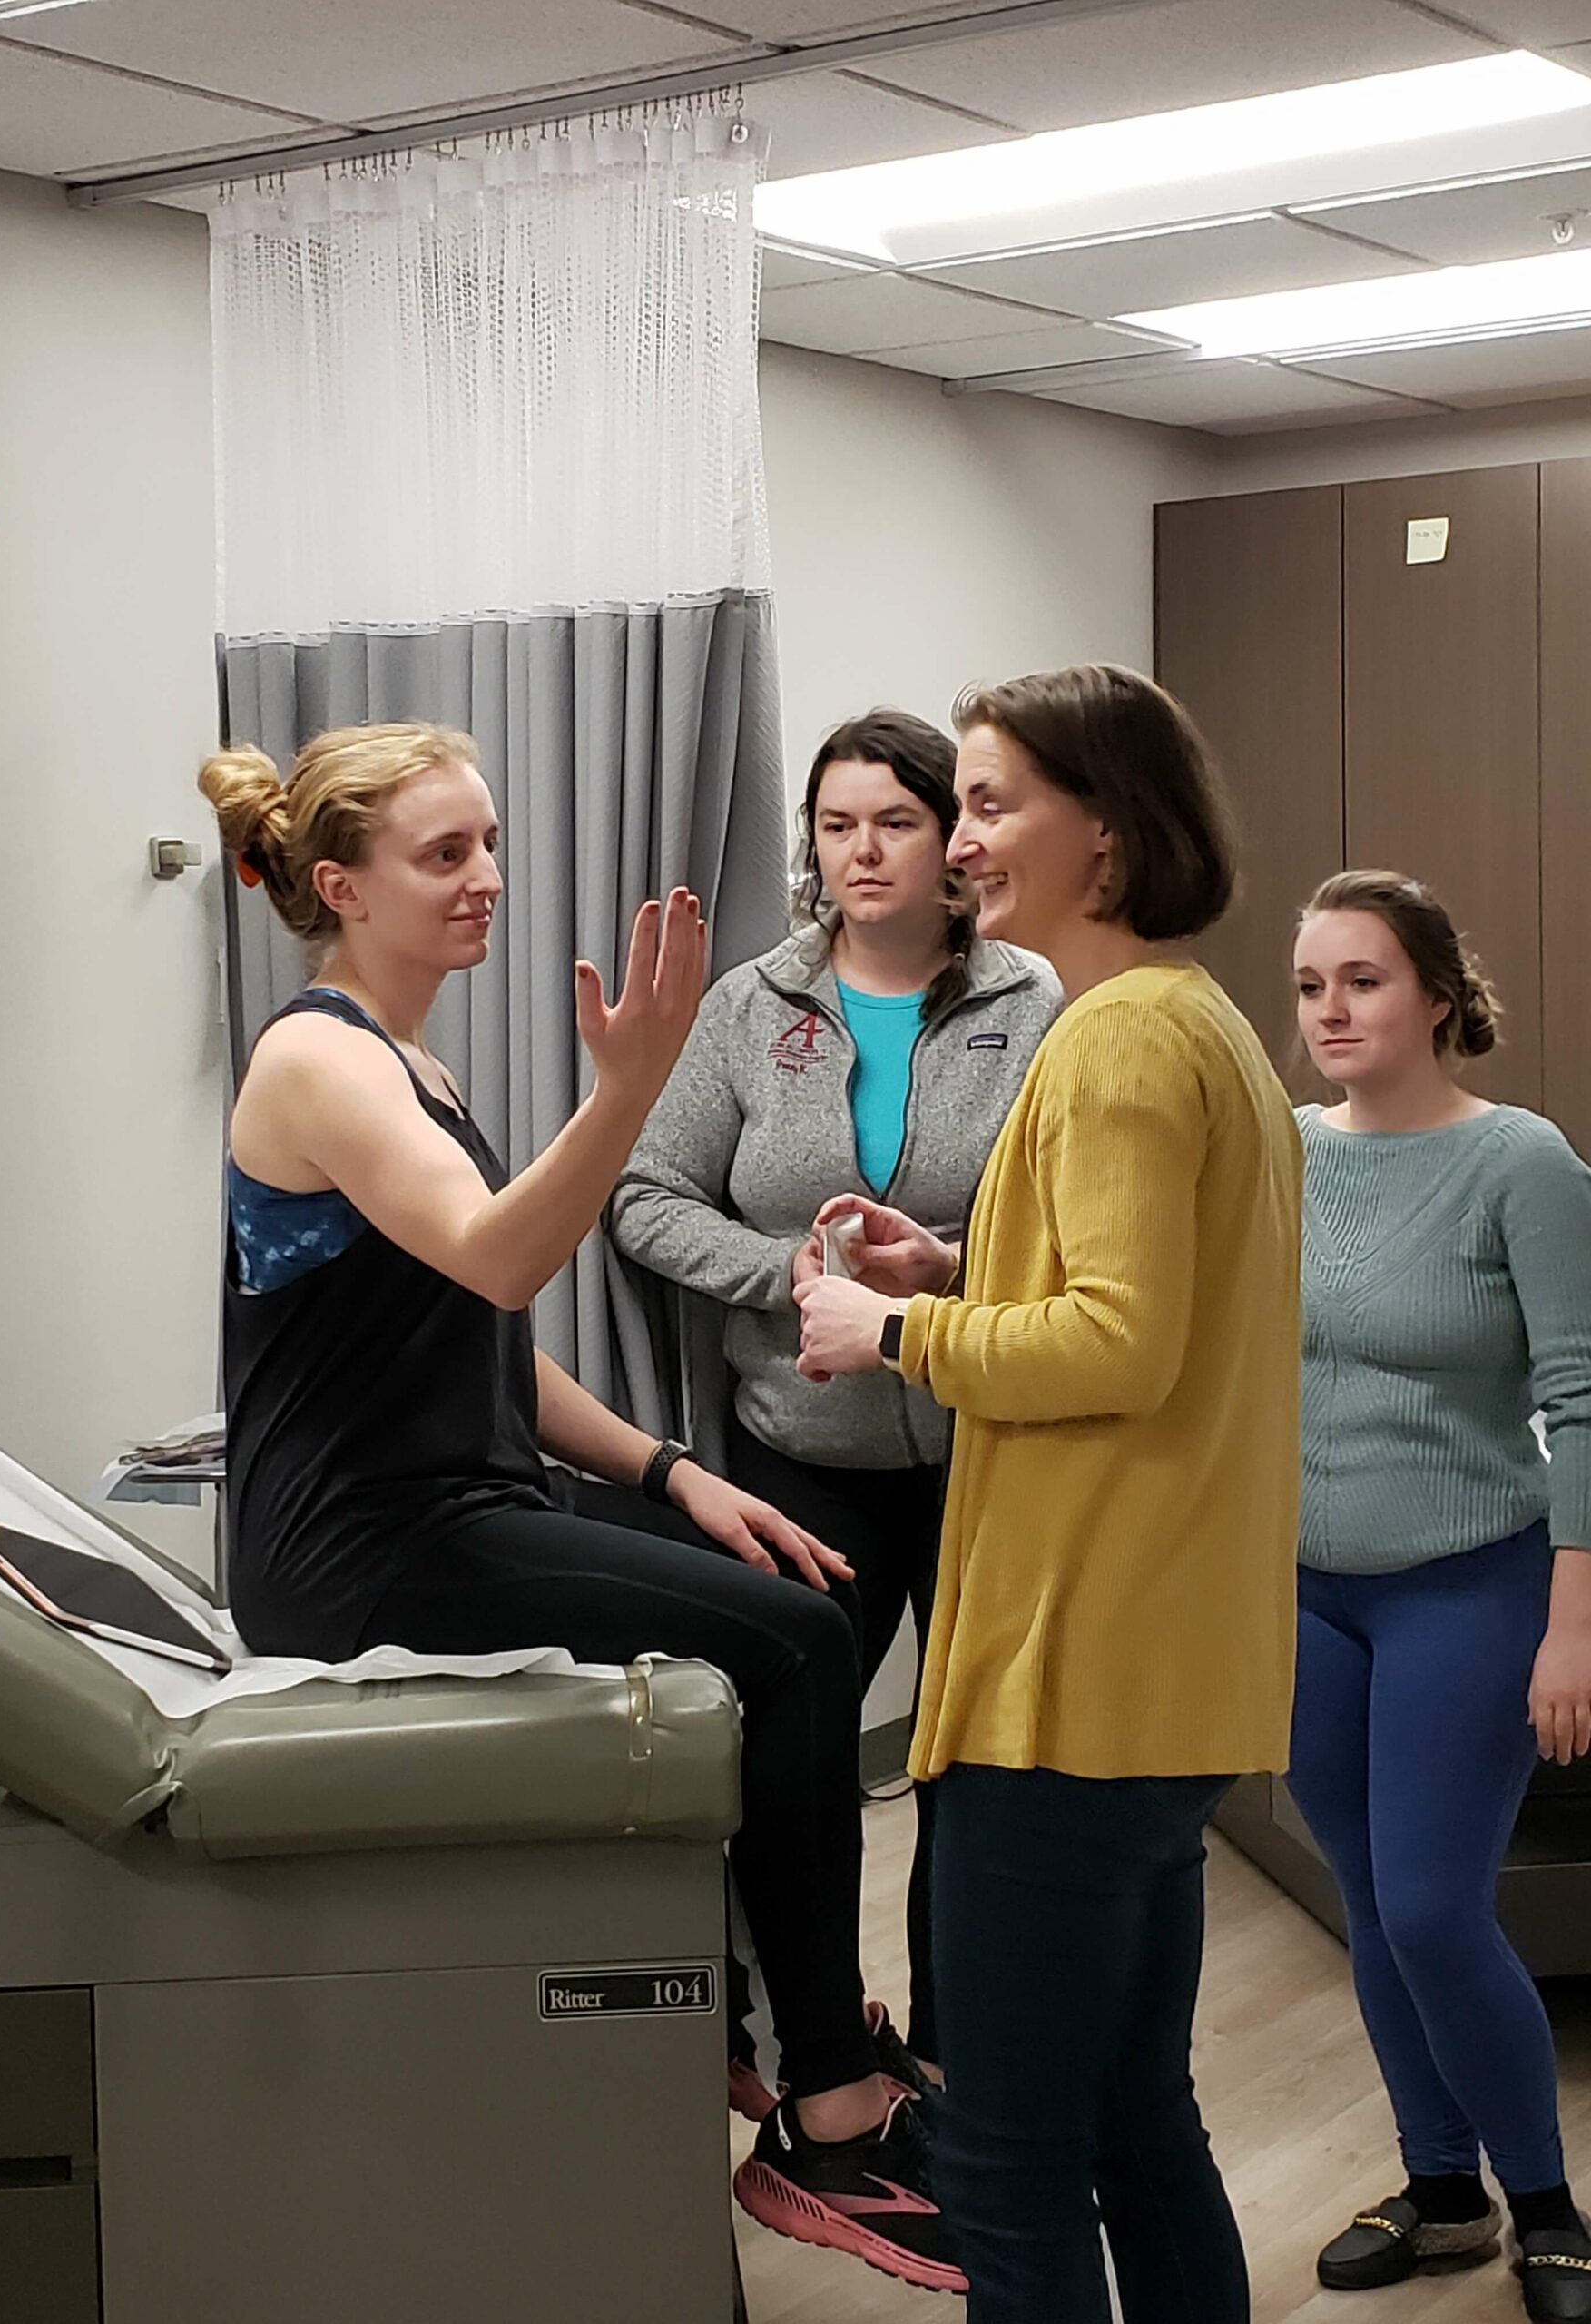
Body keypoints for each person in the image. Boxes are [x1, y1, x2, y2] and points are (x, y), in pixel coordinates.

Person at [198, 721, 963, 2297]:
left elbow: (491, 1344)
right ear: (336, 884)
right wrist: (631, 1084)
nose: (488, 877)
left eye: (487, 842)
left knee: (781, 1576)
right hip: (357, 1550)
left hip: (460, 1498)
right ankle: (827, 2109)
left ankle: (752, 2032)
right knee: (809, 1647)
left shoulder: (413, 1064)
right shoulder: (313, 1059)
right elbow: (499, 1254)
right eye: (445, 855)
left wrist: (680, 1476)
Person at [794, 664, 1301, 2324]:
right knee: (1137, 2118)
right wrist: (962, 1257)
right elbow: (1153, 1299)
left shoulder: (1114, 1041)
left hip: (1075, 1685)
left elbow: (1121, 1345)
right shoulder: (1195, 1020)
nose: (962, 842)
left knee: (1007, 2159)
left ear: (1113, 830)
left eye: (997, 804)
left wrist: (897, 1327)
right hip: (1166, 1676)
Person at [610, 707, 1058, 2088]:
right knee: (791, 1767)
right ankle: (821, 2057)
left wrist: (939, 1287)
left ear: (951, 842)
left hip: (993, 1444)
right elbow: (643, 1197)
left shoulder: (1034, 1002)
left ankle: (960, 2065)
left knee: (975, 1776)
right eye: (837, 823)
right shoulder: (753, 1007)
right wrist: (790, 1275)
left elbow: (1078, 1226)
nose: (862, 852)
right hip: (801, 1448)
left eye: (896, 822)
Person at [1289, 870, 1591, 2323]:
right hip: (1303, 1593)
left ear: (1438, 998)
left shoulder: (1521, 1160)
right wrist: (947, 1270)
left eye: (1363, 981)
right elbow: (1150, 1295)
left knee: (1430, 1904)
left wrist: (1575, 1626)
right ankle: (1443, 2192)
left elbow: (1584, 1401)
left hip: (1469, 1586)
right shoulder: (1282, 1154)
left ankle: (1547, 2208)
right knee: (1367, 1897)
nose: (1331, 1012)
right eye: (1309, 988)